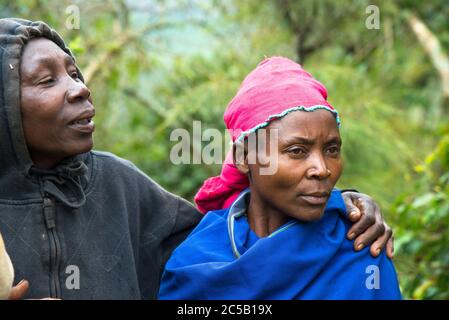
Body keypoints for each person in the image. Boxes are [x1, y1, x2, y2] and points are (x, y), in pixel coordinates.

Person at [0, 18, 391, 299]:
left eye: (74, 73)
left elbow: (229, 237)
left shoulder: (120, 187)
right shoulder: (201, 258)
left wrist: (347, 202)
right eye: (48, 80)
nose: (80, 89)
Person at [158, 57, 402, 299]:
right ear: (244, 157)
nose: (322, 169)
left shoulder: (361, 245)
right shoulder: (196, 261)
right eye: (296, 151)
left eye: (331, 150)